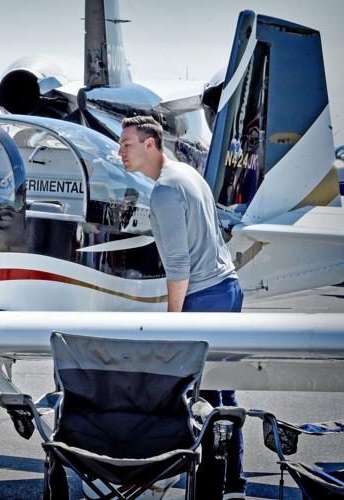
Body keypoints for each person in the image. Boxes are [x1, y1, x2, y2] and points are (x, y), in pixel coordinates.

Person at [118, 115, 245, 499]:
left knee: (182, 393)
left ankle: (165, 474)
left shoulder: (166, 191)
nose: (120, 151)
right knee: (221, 396)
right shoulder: (188, 174)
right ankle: (231, 484)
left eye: (127, 144)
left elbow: (177, 265)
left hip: (204, 297)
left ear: (150, 144)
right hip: (227, 288)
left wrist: (173, 322)